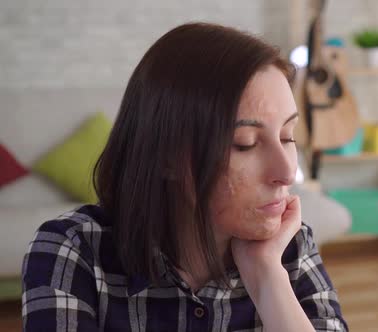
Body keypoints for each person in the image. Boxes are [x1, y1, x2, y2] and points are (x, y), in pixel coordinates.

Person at [21, 22, 347, 331]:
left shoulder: (289, 246)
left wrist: (267, 277)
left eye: (288, 136)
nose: (287, 171)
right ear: (166, 156)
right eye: (245, 144)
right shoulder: (74, 252)